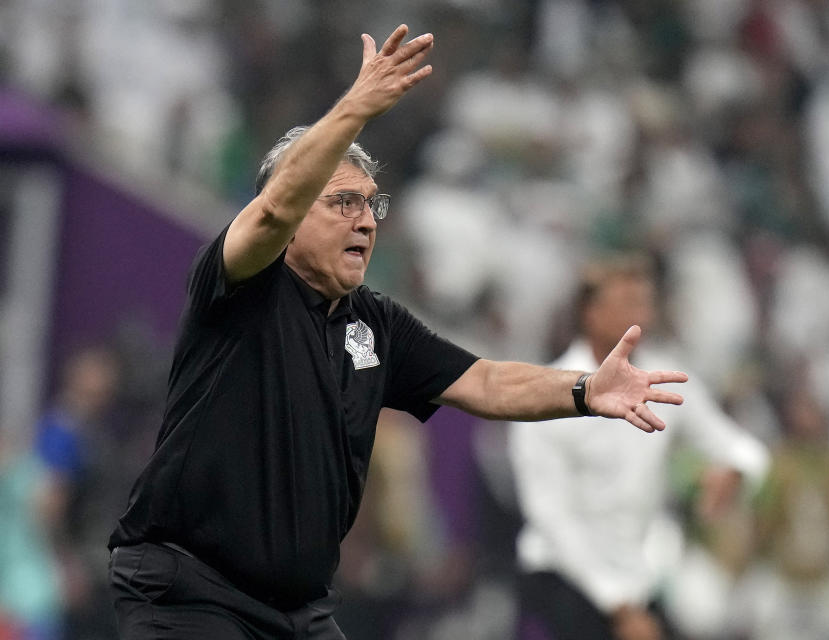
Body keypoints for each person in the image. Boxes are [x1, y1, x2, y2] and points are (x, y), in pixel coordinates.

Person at [106, 24, 689, 640]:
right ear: (296, 213)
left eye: (372, 204)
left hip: (297, 611)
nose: (366, 220)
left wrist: (584, 391)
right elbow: (274, 209)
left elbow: (485, 382)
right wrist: (356, 107)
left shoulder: (375, 322)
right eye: (343, 203)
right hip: (190, 593)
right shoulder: (241, 284)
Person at [509, 256, 769, 640]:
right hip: (561, 578)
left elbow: (742, 448)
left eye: (645, 303)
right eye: (628, 303)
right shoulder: (547, 393)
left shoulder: (666, 380)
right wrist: (619, 606)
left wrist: (735, 471)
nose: (641, 314)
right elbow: (550, 514)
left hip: (637, 575)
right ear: (591, 313)